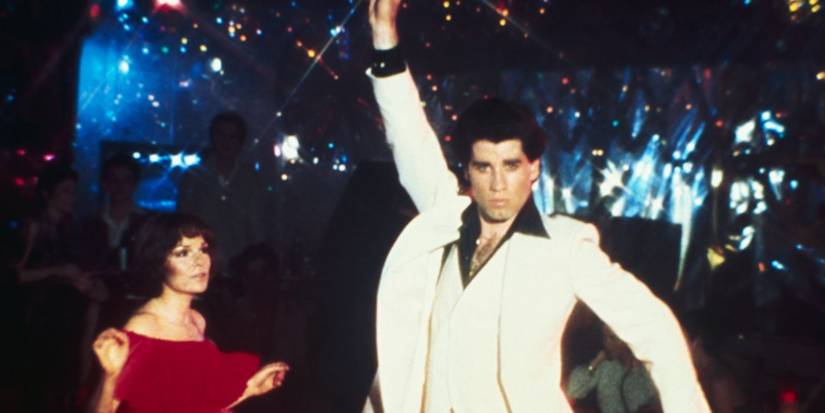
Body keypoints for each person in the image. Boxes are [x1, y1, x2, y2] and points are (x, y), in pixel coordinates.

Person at [362, 0, 711, 411]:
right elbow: (409, 137)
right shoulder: (445, 217)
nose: (496, 184)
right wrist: (384, 36)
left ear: (533, 169)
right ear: (469, 172)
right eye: (483, 167)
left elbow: (654, 327)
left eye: (510, 166)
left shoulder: (564, 245)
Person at [90, 213, 288, 413]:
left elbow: (195, 404)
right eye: (183, 253)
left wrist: (253, 388)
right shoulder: (144, 326)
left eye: (203, 250)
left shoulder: (196, 320)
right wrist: (110, 377)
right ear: (158, 263)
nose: (200, 261)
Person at [177, 111, 265, 275]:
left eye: (232, 137)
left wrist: (258, 256)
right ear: (212, 138)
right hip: (200, 261)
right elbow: (183, 220)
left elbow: (257, 221)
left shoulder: (251, 178)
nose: (226, 142)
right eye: (221, 135)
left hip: (242, 263)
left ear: (240, 142)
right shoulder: (194, 176)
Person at [567, 324, 661, 413]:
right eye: (604, 337)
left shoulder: (648, 366)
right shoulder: (606, 367)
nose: (606, 343)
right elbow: (573, 391)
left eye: (612, 338)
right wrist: (594, 363)